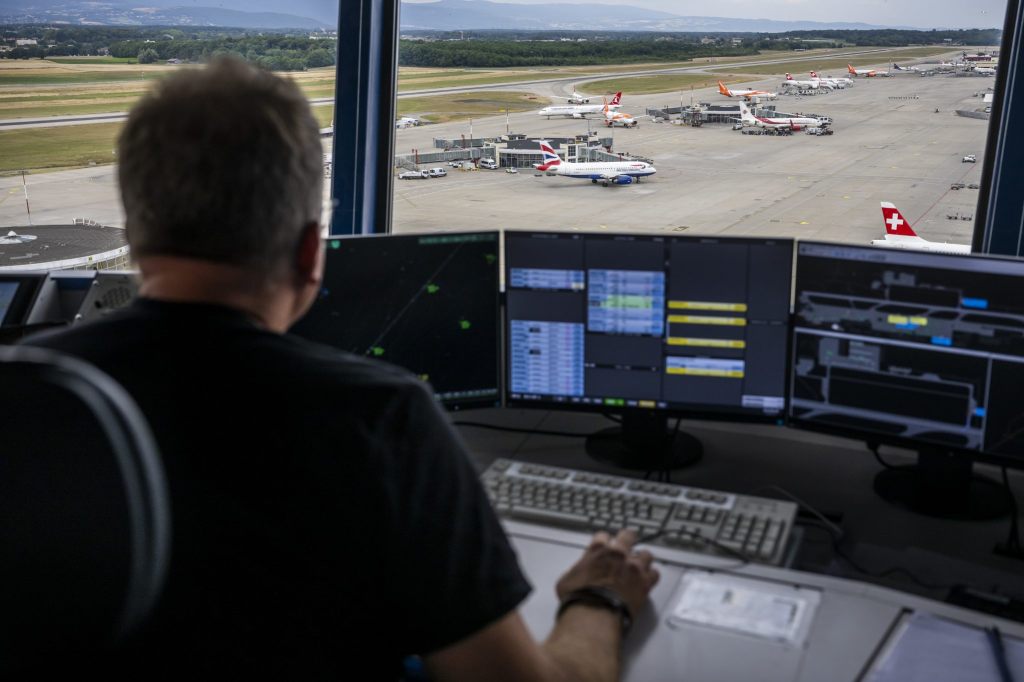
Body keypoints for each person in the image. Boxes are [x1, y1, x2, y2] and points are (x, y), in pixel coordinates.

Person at [24, 58, 658, 680]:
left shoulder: (25, 390)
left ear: (134, 236)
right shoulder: (379, 417)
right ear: (310, 252)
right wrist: (599, 599)